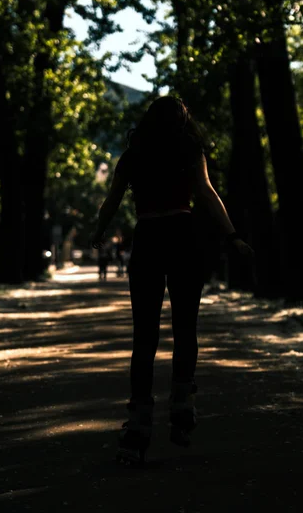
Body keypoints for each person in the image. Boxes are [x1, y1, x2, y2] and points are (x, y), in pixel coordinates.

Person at [92, 95, 253, 465]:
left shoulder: (133, 155)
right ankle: (181, 407)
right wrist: (232, 236)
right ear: (181, 121)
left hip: (148, 239)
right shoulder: (188, 148)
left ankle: (138, 427)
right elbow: (205, 193)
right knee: (185, 327)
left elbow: (112, 199)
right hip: (183, 237)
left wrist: (99, 230)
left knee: (145, 335)